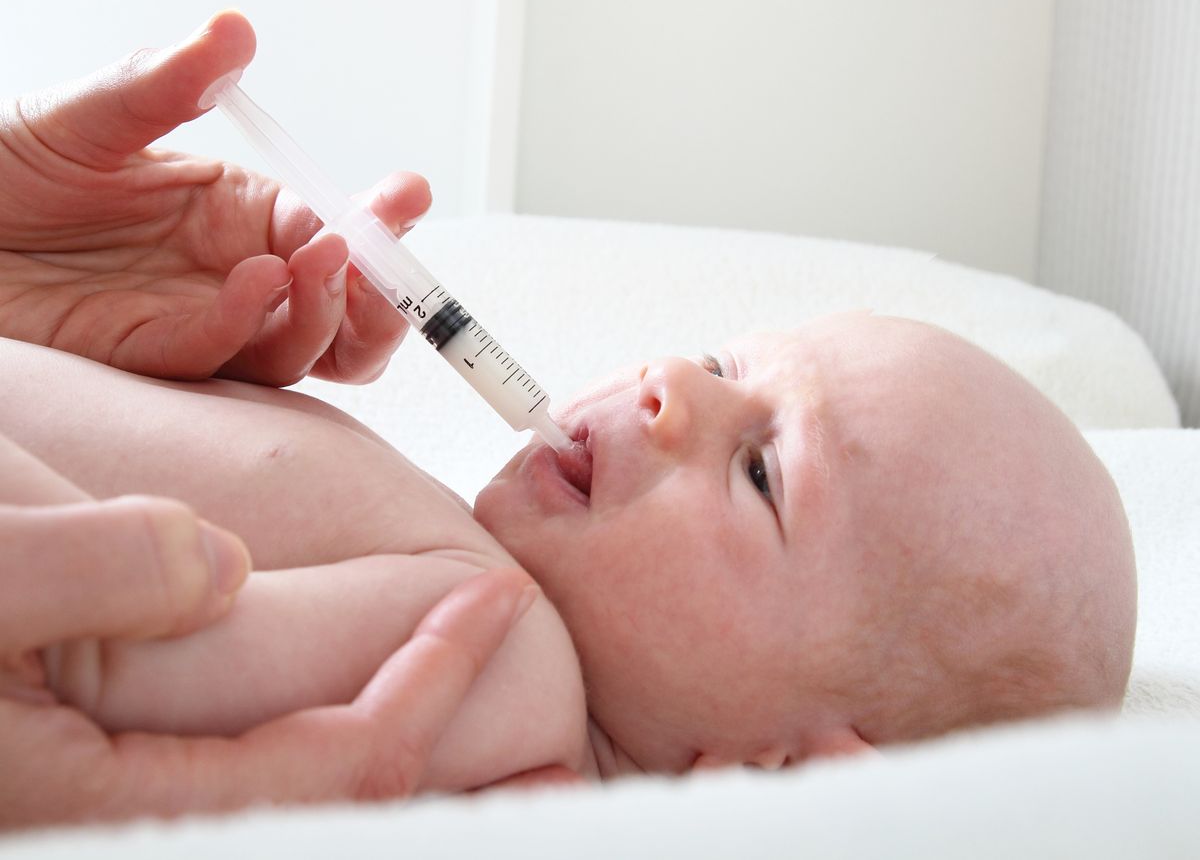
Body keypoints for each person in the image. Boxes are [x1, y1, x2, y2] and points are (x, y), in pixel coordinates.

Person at [1, 309, 1138, 790]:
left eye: (761, 472)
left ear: (786, 778)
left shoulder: (504, 667)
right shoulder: (483, 595)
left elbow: (91, 659)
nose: (668, 383)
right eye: (723, 365)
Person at [0, 11, 540, 827]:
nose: (668, 384)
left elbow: (114, 665)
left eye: (745, 468)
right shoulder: (481, 574)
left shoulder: (507, 639)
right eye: (717, 365)